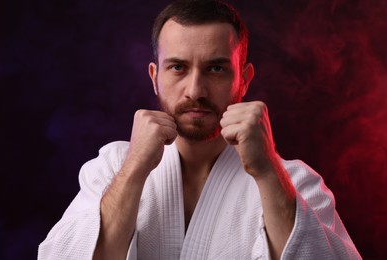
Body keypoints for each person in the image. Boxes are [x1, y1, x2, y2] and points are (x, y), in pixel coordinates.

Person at [38, 0, 361, 259]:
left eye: (216, 68)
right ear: (154, 77)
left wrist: (267, 172)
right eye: (178, 67)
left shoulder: (294, 181)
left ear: (244, 79)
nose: (195, 89)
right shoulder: (112, 166)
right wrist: (135, 168)